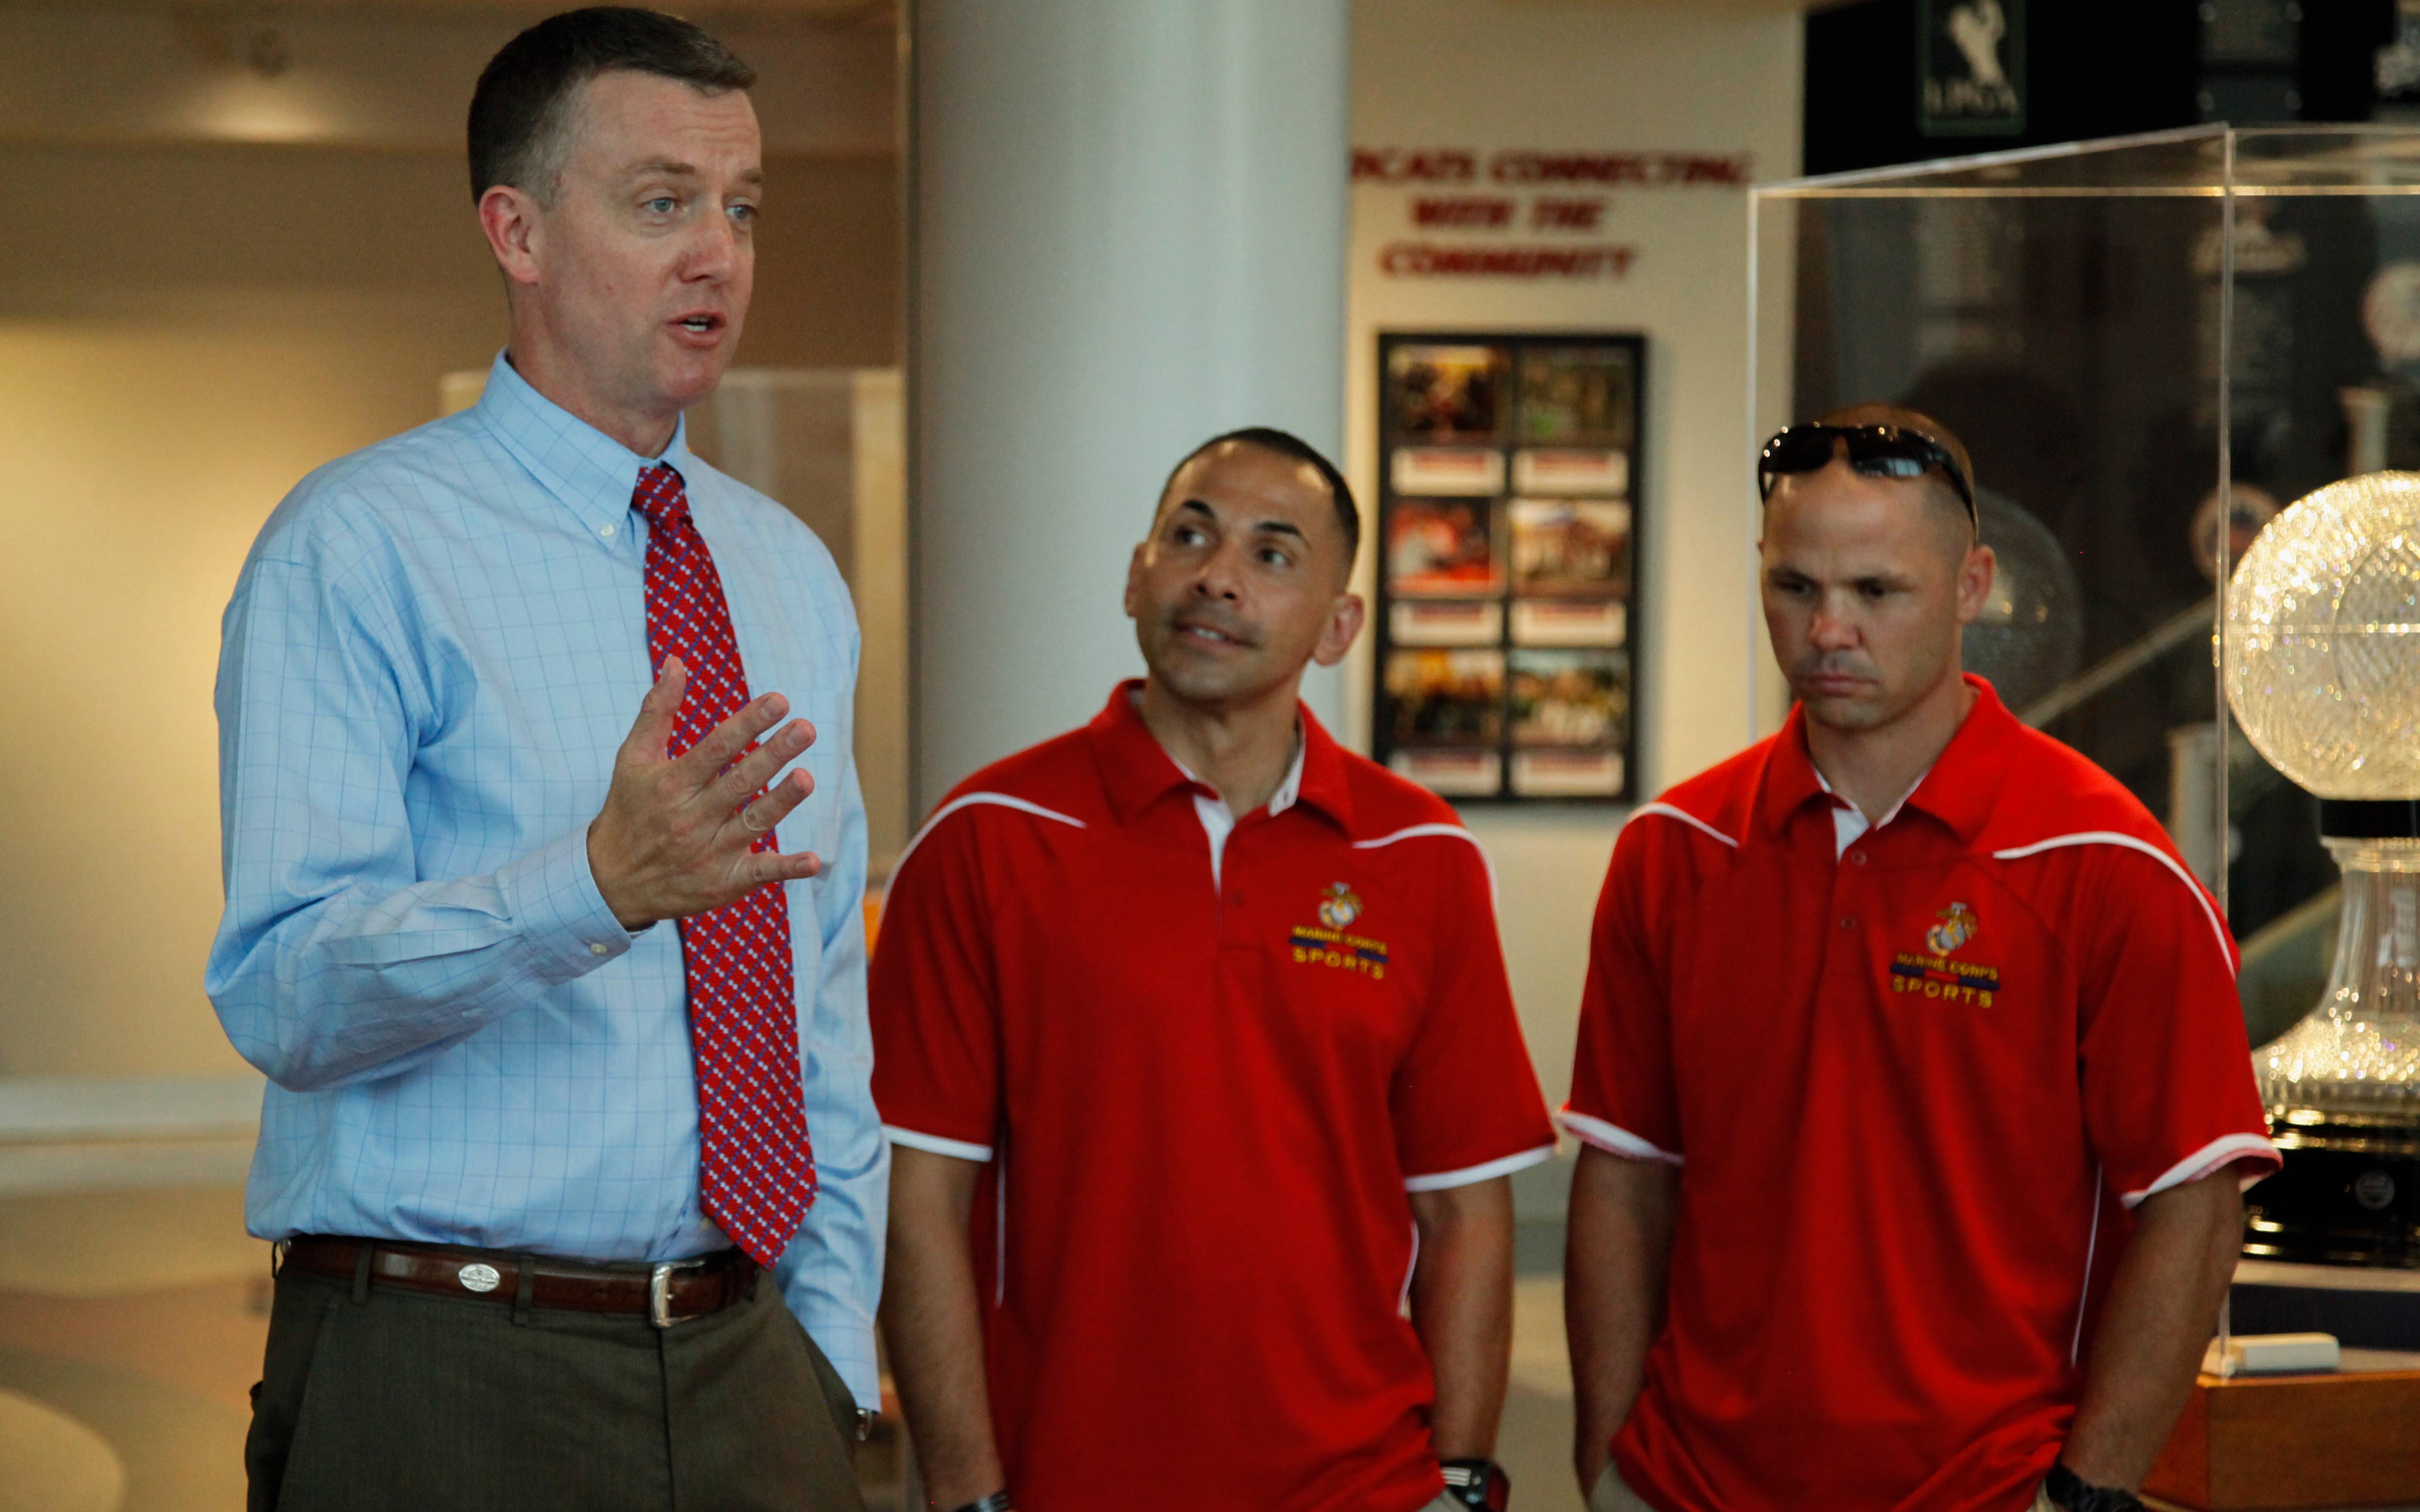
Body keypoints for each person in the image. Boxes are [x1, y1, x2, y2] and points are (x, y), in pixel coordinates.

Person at [205, 10, 880, 1508]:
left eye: (743, 205)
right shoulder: (361, 547)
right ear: (514, 229)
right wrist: (592, 884)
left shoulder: (785, 573)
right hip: (446, 1358)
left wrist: (829, 1351)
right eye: (661, 203)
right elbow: (283, 988)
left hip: (751, 1362)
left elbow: (819, 996)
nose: (719, 253)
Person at [1562, 405, 2280, 1512]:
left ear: (1972, 584)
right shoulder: (1676, 851)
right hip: (1688, 1483)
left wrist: (2086, 1494)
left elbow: (2198, 1199)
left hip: (1983, 1487)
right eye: (1795, 587)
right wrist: (1610, 1460)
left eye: (1876, 591)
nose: (1828, 629)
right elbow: (1625, 1172)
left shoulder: (2108, 861)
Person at [871, 428, 1557, 1512]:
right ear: (1138, 575)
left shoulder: (1422, 856)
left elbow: (1463, 1210)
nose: (1218, 574)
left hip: (1361, 1482)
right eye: (1191, 535)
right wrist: (964, 1491)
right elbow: (921, 1202)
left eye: (1274, 554)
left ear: (1340, 626)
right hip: (1070, 1478)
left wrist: (1462, 1475)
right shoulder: (987, 836)